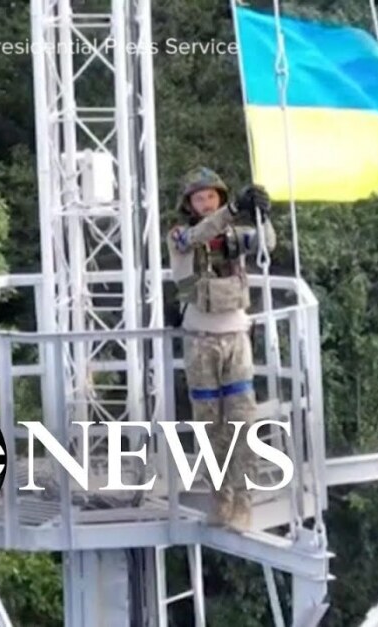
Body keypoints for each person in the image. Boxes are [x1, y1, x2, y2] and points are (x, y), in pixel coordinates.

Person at [166, 166, 275, 531]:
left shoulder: (234, 235)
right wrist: (232, 210)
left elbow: (267, 243)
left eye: (212, 196)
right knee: (210, 425)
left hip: (236, 338)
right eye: (199, 198)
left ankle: (243, 502)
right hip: (200, 341)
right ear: (189, 204)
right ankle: (220, 499)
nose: (206, 203)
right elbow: (198, 236)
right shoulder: (180, 236)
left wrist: (261, 214)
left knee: (242, 422)